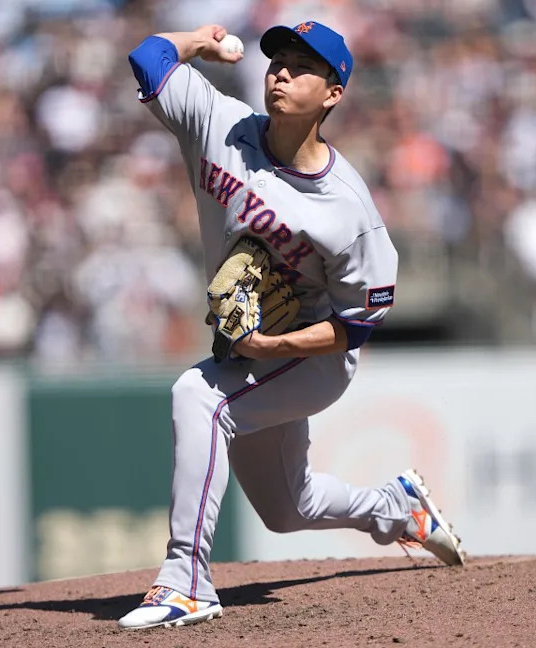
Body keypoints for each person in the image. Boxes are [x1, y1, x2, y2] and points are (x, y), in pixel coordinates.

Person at [119, 20, 465, 630]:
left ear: (333, 93)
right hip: (250, 346)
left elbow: (356, 327)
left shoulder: (348, 208)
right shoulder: (221, 124)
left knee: (198, 397)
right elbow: (148, 60)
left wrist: (271, 343)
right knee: (287, 505)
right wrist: (201, 40)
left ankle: (186, 583)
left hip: (313, 356)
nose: (280, 71)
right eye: (277, 58)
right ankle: (396, 509)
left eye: (301, 65)